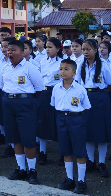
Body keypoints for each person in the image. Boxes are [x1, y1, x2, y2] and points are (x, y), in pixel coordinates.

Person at [0, 39, 45, 184]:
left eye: (13, 50)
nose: (9, 52)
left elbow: (39, 89)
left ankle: (32, 170)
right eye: (8, 50)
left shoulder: (29, 68)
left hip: (25, 104)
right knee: (15, 138)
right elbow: (2, 86)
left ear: (22, 52)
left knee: (28, 139)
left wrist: (26, 101)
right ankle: (21, 169)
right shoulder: (5, 67)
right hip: (8, 103)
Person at [51, 58, 91, 194]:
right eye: (61, 69)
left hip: (76, 119)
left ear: (74, 72)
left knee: (79, 150)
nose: (63, 72)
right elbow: (54, 104)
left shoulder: (80, 89)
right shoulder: (56, 88)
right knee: (65, 150)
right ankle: (69, 178)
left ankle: (81, 181)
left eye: (66, 69)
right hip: (61, 118)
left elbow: (86, 107)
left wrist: (75, 116)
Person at [76, 39, 111, 178]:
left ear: (95, 50)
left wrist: (99, 93)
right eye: (84, 49)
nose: (85, 52)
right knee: (88, 132)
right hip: (85, 98)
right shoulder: (80, 65)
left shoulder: (103, 65)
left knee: (101, 133)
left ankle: (102, 162)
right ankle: (91, 161)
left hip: (100, 99)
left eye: (88, 49)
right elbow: (78, 84)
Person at [37, 37, 63, 165]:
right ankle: (42, 153)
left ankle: (63, 153)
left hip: (58, 93)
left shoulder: (63, 63)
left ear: (58, 49)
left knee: (59, 122)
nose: (47, 49)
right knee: (43, 122)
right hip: (45, 93)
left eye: (50, 47)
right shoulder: (42, 61)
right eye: (46, 46)